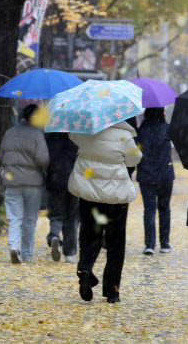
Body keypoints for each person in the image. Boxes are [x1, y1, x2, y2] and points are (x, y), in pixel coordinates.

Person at [68, 120, 142, 303]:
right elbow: (134, 158)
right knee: (116, 241)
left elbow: (72, 136)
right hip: (115, 197)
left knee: (89, 234)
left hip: (89, 193)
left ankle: (85, 268)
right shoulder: (124, 135)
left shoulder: (86, 130)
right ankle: (112, 290)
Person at [0, 104, 50, 264]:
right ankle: (27, 254)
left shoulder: (9, 132)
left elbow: (2, 155)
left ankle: (14, 247)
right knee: (29, 219)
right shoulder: (37, 134)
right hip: (33, 183)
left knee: (14, 217)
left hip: (12, 180)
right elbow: (43, 160)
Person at [136, 107, 175, 255]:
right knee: (165, 209)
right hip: (165, 175)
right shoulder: (167, 129)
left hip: (146, 175)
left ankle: (149, 244)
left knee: (149, 210)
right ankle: (165, 243)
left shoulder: (141, 131)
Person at [44, 132, 79, 263]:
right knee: (72, 217)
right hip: (72, 183)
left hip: (55, 182)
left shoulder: (50, 140)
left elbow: (44, 160)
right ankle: (69, 253)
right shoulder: (75, 140)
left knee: (56, 215)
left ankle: (54, 236)